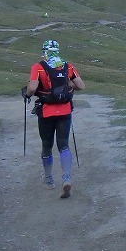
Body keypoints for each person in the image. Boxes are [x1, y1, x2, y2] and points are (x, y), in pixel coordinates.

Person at [22, 39, 85, 199]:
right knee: (63, 144)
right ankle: (67, 178)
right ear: (58, 50)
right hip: (65, 110)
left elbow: (33, 87)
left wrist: (27, 94)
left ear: (44, 51)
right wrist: (69, 83)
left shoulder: (38, 67)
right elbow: (81, 85)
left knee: (47, 144)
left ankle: (49, 179)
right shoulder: (67, 66)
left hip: (46, 111)